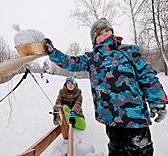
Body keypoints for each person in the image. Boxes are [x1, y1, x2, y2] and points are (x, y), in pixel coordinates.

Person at [44, 18, 168, 156]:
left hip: (134, 117)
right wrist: (52, 52)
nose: (106, 34)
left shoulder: (128, 51)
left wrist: (157, 101)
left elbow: (147, 76)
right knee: (116, 150)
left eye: (108, 30)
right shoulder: (92, 58)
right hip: (110, 118)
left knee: (140, 151)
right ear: (94, 39)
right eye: (100, 33)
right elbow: (71, 63)